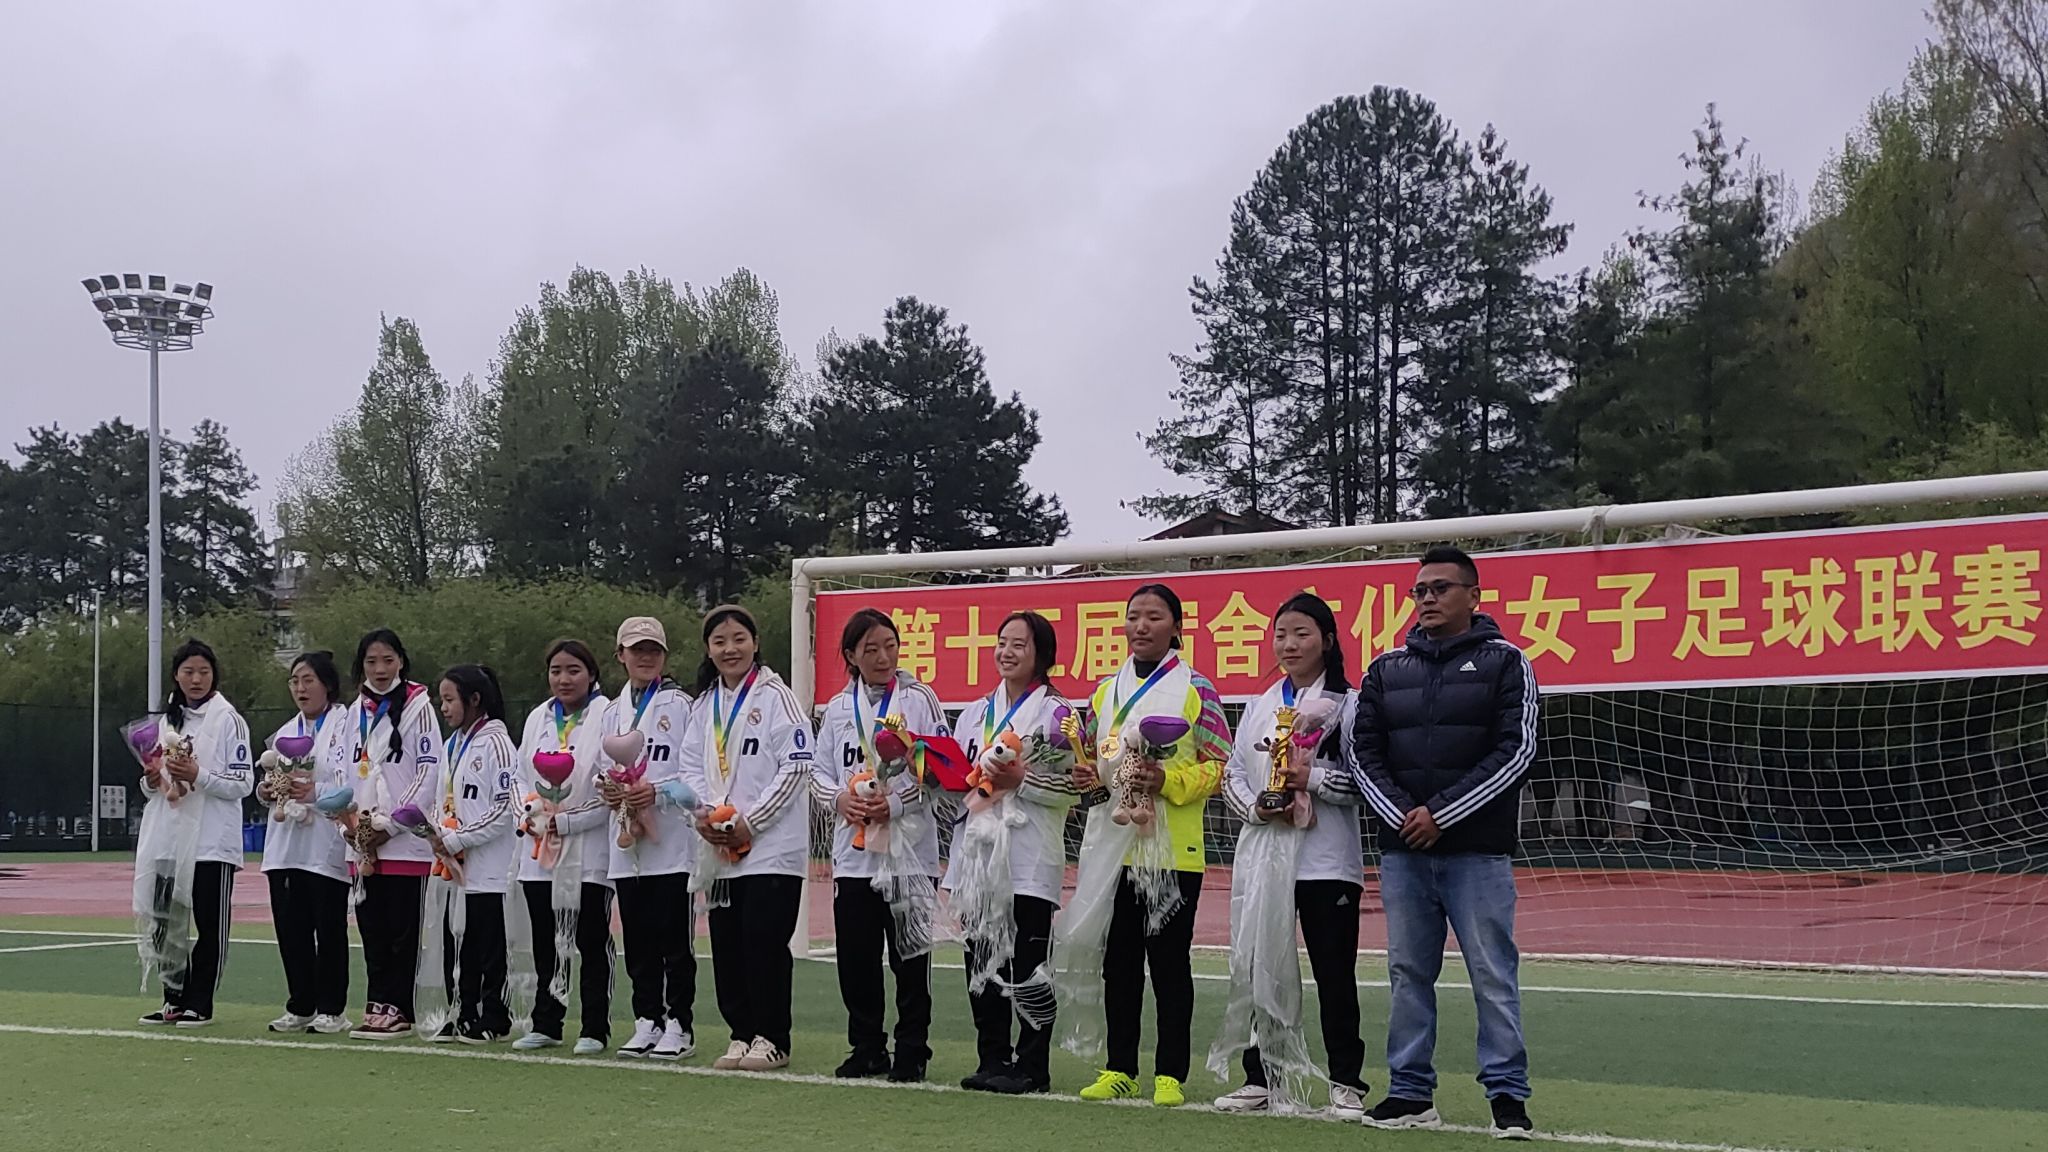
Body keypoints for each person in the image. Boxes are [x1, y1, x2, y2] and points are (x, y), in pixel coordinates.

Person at [1350, 545, 1538, 1140]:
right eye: (1420, 590)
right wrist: (1405, 816)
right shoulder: (1386, 669)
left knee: (1492, 973)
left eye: (1441, 588)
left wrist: (1442, 814)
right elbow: (1362, 752)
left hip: (1477, 853)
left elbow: (1516, 751)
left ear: (1473, 596)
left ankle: (1507, 1096)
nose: (1427, 599)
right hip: (1405, 853)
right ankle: (1410, 1092)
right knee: (1408, 972)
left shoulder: (1507, 662)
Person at [1069, 583, 1231, 1108]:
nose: (1141, 625)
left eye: (1154, 616)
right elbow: (1094, 764)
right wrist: (1086, 778)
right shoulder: (1103, 691)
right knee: (1117, 963)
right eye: (1133, 616)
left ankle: (1170, 1073)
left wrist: (1168, 780)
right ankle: (1120, 1067)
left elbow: (1221, 765)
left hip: (1173, 850)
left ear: (1176, 627)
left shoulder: (1196, 688)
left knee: (1168, 963)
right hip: (1111, 846)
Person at [1211, 592, 1369, 1118]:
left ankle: (1346, 1083)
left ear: (1327, 640)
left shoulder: (1350, 705)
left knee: (1334, 973)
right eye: (1281, 634)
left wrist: (1312, 779)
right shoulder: (1261, 705)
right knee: (1263, 969)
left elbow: (1365, 783)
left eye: (1302, 634)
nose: (1289, 644)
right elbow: (1232, 773)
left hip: (1326, 862)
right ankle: (1262, 1077)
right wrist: (1258, 807)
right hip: (1264, 857)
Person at [944, 611, 1078, 1096]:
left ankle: (1033, 1065)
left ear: (1042, 654)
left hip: (1028, 857)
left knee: (1029, 962)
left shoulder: (1059, 715)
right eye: (1002, 642)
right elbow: (959, 780)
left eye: (1019, 644)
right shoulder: (975, 713)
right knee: (981, 959)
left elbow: (1074, 788)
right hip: (978, 857)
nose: (1007, 652)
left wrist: (1024, 779)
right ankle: (992, 1057)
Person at [813, 607, 947, 1083]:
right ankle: (867, 1048)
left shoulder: (919, 699)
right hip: (854, 855)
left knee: (910, 957)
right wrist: (841, 799)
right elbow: (819, 772)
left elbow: (941, 769)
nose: (883, 657)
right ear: (851, 655)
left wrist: (896, 804)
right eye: (870, 649)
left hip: (910, 853)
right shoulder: (836, 708)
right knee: (857, 959)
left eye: (890, 646)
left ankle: (912, 1050)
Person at [680, 605, 812, 1073]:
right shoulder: (703, 705)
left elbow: (796, 767)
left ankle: (772, 1038)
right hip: (719, 848)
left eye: (738, 639)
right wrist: (703, 815)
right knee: (727, 943)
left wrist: (749, 822)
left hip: (771, 848)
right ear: (708, 650)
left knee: (763, 942)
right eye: (719, 641)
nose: (729, 649)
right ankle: (740, 1033)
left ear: (755, 643)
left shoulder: (778, 698)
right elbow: (688, 766)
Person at [135, 639, 253, 1028]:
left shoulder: (229, 720)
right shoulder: (168, 722)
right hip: (169, 837)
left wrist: (197, 774)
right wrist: (152, 779)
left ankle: (199, 1002)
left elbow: (243, 783)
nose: (196, 679)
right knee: (165, 922)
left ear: (214, 675)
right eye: (188, 671)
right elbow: (154, 787)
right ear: (176, 675)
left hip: (211, 842)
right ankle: (173, 997)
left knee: (209, 925)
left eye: (204, 671)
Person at [600, 617, 697, 1061]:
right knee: (637, 938)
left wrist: (656, 791)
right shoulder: (611, 710)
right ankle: (647, 1019)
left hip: (670, 840)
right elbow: (599, 769)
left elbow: (694, 769)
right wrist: (609, 789)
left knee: (673, 940)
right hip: (625, 838)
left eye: (653, 649)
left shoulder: (681, 705)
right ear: (620, 654)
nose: (645, 657)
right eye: (636, 649)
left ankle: (679, 1023)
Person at [513, 640, 616, 1054]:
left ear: (591, 674)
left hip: (587, 850)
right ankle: (547, 1022)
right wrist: (530, 813)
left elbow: (611, 784)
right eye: (556, 670)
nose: (564, 679)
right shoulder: (539, 716)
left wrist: (566, 821)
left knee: (590, 939)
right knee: (546, 940)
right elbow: (520, 775)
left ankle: (594, 1026)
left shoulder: (607, 714)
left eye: (574, 670)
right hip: (540, 849)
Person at [416, 664, 524, 1043]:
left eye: (449, 700)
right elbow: (440, 799)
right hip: (455, 868)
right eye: (441, 700)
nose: (443, 708)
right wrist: (436, 832)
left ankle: (495, 1017)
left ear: (475, 699)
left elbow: (504, 808)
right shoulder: (452, 745)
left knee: (490, 947)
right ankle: (461, 1011)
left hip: (491, 869)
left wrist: (458, 839)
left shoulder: (498, 744)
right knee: (457, 943)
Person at [344, 628, 440, 1041]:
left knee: (403, 930)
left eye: (387, 660)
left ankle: (400, 1006)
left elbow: (428, 771)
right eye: (371, 661)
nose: (380, 669)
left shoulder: (420, 707)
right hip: (362, 842)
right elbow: (344, 772)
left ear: (401, 661)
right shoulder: (355, 711)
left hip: (405, 842)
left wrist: (392, 825)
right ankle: (377, 1002)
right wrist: (351, 825)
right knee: (372, 929)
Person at [257, 651, 353, 1034]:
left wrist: (316, 792)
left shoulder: (347, 727)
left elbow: (352, 781)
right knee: (291, 929)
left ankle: (332, 1009)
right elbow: (270, 782)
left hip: (325, 841)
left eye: (308, 679)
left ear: (327, 684)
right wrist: (267, 791)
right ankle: (300, 1004)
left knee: (329, 929)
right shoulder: (284, 734)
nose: (300, 688)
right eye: (295, 680)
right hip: (285, 845)